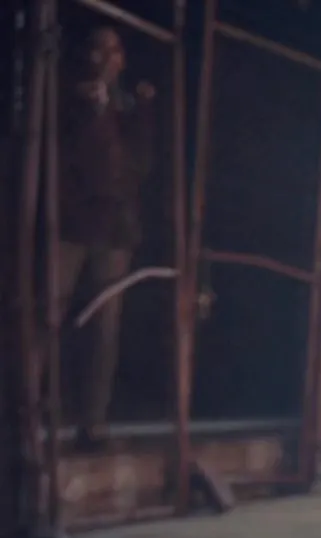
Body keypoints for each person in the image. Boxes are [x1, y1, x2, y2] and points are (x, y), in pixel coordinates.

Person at [54, 25, 154, 446]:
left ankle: (93, 422)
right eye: (96, 50)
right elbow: (72, 161)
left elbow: (131, 168)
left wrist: (112, 115)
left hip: (114, 230)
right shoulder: (67, 102)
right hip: (70, 223)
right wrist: (91, 113)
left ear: (122, 60)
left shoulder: (132, 109)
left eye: (112, 51)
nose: (103, 59)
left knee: (104, 329)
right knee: (47, 314)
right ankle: (29, 410)